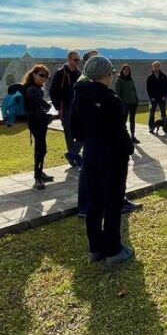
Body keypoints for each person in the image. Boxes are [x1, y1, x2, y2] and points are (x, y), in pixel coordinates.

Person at [69, 55, 136, 265]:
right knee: (113, 202)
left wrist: (91, 140)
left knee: (94, 203)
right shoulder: (110, 99)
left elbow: (75, 128)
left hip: (91, 153)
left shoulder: (79, 95)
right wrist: (128, 148)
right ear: (106, 75)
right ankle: (113, 249)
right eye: (111, 74)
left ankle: (95, 248)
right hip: (113, 157)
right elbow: (119, 131)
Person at [22, 64, 56, 190]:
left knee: (41, 148)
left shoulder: (35, 88)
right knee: (40, 149)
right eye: (41, 75)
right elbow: (42, 104)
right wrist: (47, 106)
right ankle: (38, 177)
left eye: (46, 76)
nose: (43, 78)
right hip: (36, 122)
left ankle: (40, 172)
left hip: (39, 121)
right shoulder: (32, 89)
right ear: (34, 74)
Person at [49, 50, 82, 168]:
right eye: (75, 59)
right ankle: (73, 158)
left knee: (82, 133)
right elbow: (53, 91)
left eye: (79, 59)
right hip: (66, 108)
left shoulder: (79, 73)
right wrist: (58, 107)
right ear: (69, 59)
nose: (78, 62)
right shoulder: (60, 73)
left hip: (77, 108)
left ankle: (72, 154)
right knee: (68, 133)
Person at [115, 63, 140, 144]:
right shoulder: (119, 80)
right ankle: (123, 137)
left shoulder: (130, 79)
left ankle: (132, 136)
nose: (126, 71)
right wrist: (121, 103)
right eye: (124, 69)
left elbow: (134, 90)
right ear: (122, 70)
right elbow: (118, 93)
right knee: (124, 121)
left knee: (132, 120)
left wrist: (136, 99)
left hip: (133, 103)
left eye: (127, 69)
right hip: (124, 104)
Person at [146, 61, 167, 135]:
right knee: (152, 112)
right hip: (153, 98)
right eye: (155, 66)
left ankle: (165, 127)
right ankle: (151, 127)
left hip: (162, 98)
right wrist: (151, 97)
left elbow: (166, 87)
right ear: (152, 67)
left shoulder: (164, 76)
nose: (156, 67)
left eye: (157, 66)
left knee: (163, 113)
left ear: (160, 67)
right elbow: (148, 88)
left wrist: (164, 96)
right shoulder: (150, 77)